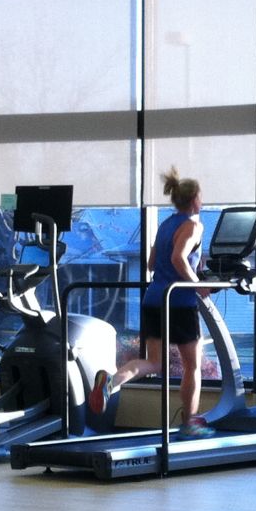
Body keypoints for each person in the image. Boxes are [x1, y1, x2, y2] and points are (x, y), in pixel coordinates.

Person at [89, 167, 214, 438]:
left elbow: (151, 263)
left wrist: (192, 267)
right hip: (179, 301)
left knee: (154, 362)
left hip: (154, 298)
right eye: (201, 196)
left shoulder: (166, 224)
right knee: (192, 365)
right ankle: (190, 423)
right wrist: (198, 283)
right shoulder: (193, 225)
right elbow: (178, 258)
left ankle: (111, 381)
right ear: (195, 199)